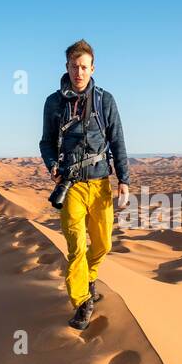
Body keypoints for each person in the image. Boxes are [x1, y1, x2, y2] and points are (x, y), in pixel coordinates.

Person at [38, 40, 130, 330]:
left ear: (92, 68)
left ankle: (89, 277)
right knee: (76, 246)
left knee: (103, 244)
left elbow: (117, 140)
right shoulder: (54, 103)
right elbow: (46, 142)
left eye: (83, 66)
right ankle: (81, 302)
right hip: (71, 185)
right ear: (66, 67)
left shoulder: (105, 100)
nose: (79, 71)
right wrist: (52, 165)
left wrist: (124, 180)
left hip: (101, 182)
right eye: (73, 66)